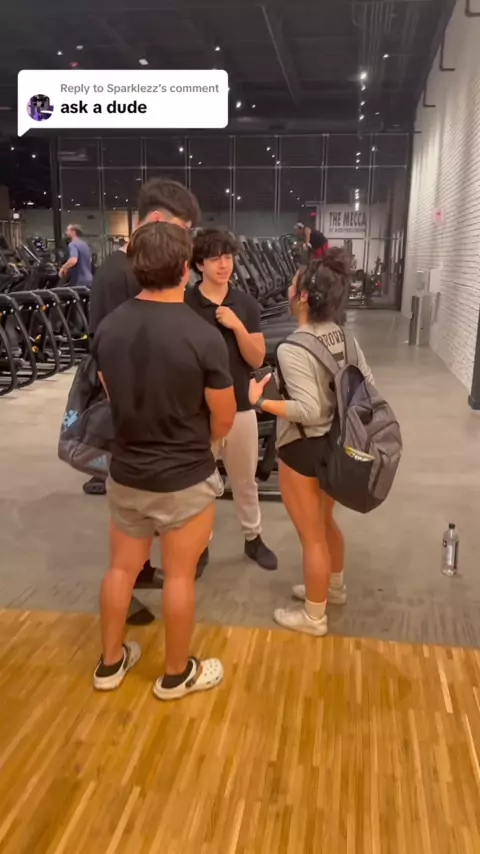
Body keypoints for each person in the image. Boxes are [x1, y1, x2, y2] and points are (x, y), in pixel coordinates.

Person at [91, 221, 236, 698]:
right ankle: (176, 675)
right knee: (178, 575)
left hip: (126, 473)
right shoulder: (203, 336)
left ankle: (110, 664)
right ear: (184, 268)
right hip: (184, 479)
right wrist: (201, 447)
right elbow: (224, 417)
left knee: (120, 569)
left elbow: (111, 396)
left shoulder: (108, 328)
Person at [85, 178, 201, 596]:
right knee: (129, 511)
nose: (184, 242)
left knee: (145, 506)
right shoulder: (118, 275)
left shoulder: (139, 270)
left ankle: (143, 568)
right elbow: (105, 355)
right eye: (181, 230)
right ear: (155, 219)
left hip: (154, 412)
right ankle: (130, 584)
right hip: (132, 414)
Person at [248, 251, 373, 636]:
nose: (289, 288)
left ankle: (314, 617)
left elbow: (308, 409)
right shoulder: (345, 337)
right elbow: (367, 387)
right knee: (325, 522)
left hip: (303, 450)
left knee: (312, 536)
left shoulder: (293, 347)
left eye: (293, 283)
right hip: (338, 445)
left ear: (303, 296)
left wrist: (261, 402)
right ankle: (332, 588)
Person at [186, 229, 277, 571]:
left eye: (228, 257)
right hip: (199, 412)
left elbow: (256, 358)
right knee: (200, 485)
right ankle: (200, 545)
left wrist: (237, 326)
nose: (224, 265)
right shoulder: (186, 304)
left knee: (244, 480)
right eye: (215, 259)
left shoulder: (245, 304)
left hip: (240, 407)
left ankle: (253, 538)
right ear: (199, 264)